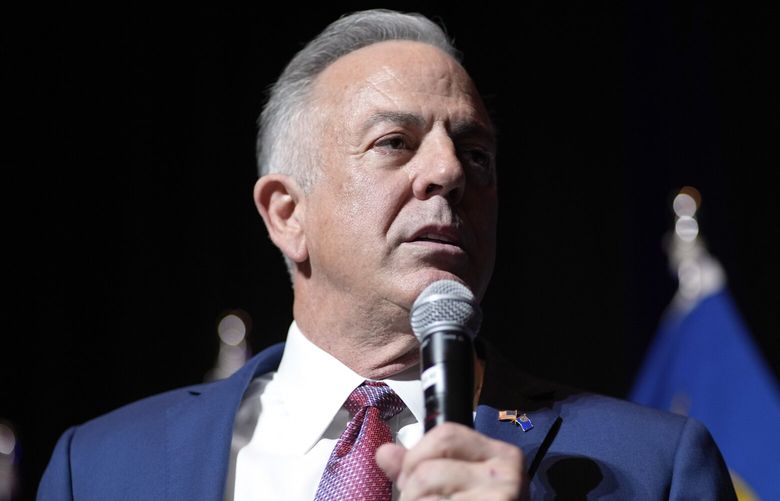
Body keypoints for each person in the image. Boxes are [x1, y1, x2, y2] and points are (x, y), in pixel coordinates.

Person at [37, 9, 737, 500]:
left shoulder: (654, 467)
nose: (448, 172)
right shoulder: (99, 467)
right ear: (287, 213)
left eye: (475, 152)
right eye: (395, 142)